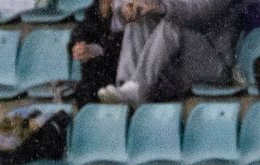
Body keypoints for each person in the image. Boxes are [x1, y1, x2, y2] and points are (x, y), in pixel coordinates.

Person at [99, 0, 240, 104]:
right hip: (181, 65)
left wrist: (160, 7)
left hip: (214, 64)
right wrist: (130, 5)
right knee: (138, 20)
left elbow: (199, 11)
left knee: (172, 22)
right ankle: (127, 87)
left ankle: (137, 88)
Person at [70, 0, 125, 104]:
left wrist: (97, 49)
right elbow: (82, 29)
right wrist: (79, 45)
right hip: (100, 73)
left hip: (122, 73)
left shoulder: (129, 7)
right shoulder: (95, 9)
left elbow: (124, 42)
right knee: (87, 86)